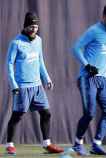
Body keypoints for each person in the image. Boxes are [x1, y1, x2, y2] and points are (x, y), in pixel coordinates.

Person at [5, 12, 64, 155]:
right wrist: (14, 85)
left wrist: (47, 79)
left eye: (36, 27)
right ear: (25, 27)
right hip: (22, 87)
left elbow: (40, 62)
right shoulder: (16, 43)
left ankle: (47, 144)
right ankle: (9, 144)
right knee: (17, 115)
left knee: (46, 113)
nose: (33, 29)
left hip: (37, 86)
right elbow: (8, 64)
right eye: (31, 26)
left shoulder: (38, 40)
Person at [71, 3, 106, 156]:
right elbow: (75, 48)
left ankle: (96, 144)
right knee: (90, 112)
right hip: (88, 78)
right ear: (104, 16)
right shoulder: (93, 31)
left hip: (103, 79)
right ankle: (77, 144)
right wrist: (86, 66)